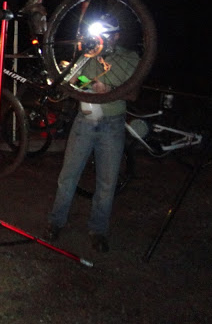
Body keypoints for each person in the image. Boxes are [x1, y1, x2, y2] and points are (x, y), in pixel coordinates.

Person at [44, 14, 140, 252]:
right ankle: (56, 222)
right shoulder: (88, 54)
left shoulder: (130, 58)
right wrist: (81, 80)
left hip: (113, 124)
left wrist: (110, 90)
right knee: (68, 175)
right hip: (85, 121)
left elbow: (134, 94)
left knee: (107, 182)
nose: (102, 39)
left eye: (108, 34)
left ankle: (98, 230)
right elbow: (73, 82)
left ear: (116, 36)